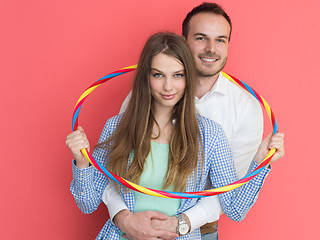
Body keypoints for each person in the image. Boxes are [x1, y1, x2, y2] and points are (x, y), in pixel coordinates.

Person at [67, 32, 285, 240]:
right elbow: (87, 203)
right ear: (146, 77)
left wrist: (260, 162)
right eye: (158, 75)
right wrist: (82, 161)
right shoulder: (117, 127)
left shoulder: (210, 135)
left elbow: (236, 209)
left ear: (188, 78)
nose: (168, 86)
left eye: (177, 75)